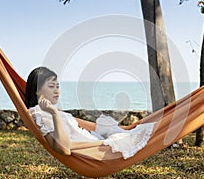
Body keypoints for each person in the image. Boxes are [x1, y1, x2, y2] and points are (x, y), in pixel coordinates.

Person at [25, 66, 155, 159]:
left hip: (98, 141)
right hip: (98, 149)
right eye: (51, 86)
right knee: (152, 130)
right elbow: (64, 149)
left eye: (57, 86)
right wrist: (54, 114)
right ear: (37, 90)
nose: (57, 91)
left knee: (148, 129)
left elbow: (81, 125)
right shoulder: (40, 114)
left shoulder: (48, 111)